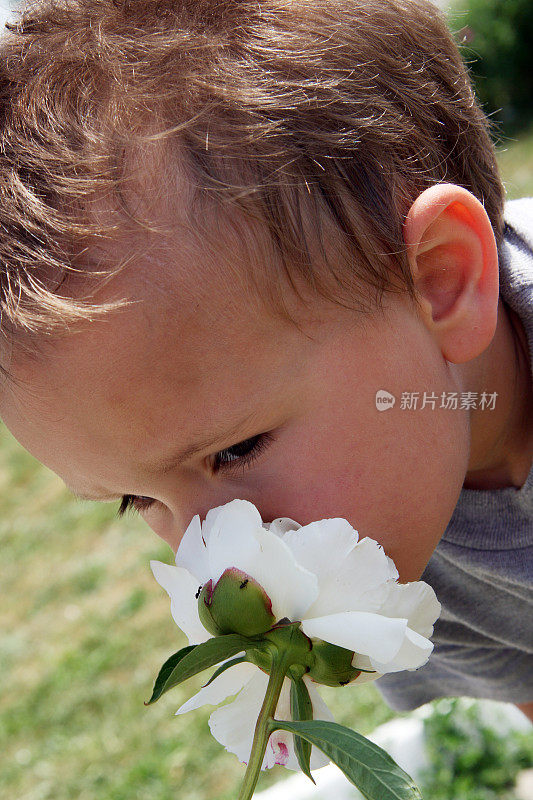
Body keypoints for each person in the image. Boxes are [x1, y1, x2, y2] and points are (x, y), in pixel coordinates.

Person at [0, 0, 531, 720]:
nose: (214, 563)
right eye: (138, 500)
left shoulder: (379, 494)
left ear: (439, 280)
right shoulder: (395, 526)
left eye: (236, 450)